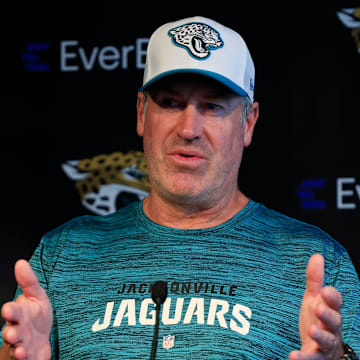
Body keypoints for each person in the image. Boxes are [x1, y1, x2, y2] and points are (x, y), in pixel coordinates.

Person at [1, 16, 359, 360]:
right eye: (171, 103)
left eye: (212, 106)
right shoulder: (63, 253)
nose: (189, 128)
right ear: (142, 113)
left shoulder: (318, 263)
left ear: (248, 123)